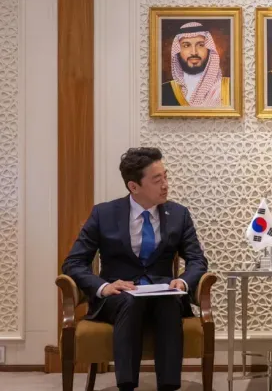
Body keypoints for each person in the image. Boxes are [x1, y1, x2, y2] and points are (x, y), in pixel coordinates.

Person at [62, 147, 208, 391]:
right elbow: (73, 262)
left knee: (169, 302)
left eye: (165, 177)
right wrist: (104, 287)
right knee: (130, 301)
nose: (165, 185)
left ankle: (169, 386)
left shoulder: (178, 215)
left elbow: (197, 260)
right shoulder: (104, 214)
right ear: (134, 186)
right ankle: (127, 385)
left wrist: (182, 282)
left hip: (162, 295)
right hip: (118, 299)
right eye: (157, 180)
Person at [161, 21, 230, 107]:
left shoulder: (229, 88)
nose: (194, 52)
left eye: (200, 45)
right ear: (178, 51)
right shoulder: (164, 91)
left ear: (209, 49)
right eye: (186, 45)